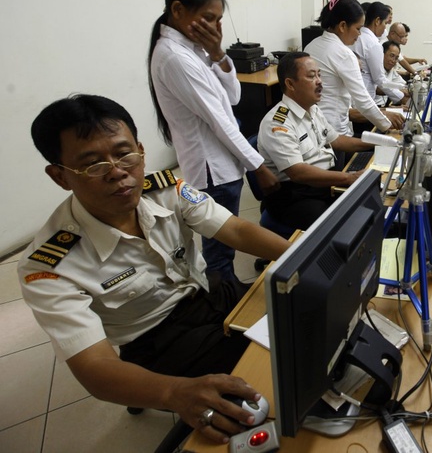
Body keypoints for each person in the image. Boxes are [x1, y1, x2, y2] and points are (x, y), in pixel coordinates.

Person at [19, 94, 292, 445]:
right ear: (60, 176)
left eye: (124, 154)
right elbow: (94, 367)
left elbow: (236, 230)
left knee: (299, 320)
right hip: (159, 340)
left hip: (210, 293)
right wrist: (174, 393)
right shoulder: (49, 265)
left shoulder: (164, 189)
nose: (118, 172)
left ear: (141, 150)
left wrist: (301, 256)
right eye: (93, 165)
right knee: (270, 388)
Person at [148, 0, 279, 285]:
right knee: (220, 248)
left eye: (219, 20)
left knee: (225, 244)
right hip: (212, 170)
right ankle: (224, 304)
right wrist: (258, 166)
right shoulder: (174, 58)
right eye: (208, 18)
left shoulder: (196, 51)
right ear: (178, 10)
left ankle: (228, 293)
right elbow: (222, 123)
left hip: (223, 164)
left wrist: (219, 54)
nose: (214, 27)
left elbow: (233, 96)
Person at [258, 53, 373, 231]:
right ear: (290, 84)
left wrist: (377, 144)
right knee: (344, 226)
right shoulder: (278, 123)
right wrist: (348, 178)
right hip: (296, 194)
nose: (319, 81)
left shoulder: (312, 108)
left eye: (319, 75)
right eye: (312, 76)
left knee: (366, 204)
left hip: (322, 181)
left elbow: (337, 140)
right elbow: (298, 173)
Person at [303, 0, 403, 143]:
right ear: (342, 26)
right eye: (358, 29)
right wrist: (388, 127)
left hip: (313, 129)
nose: (359, 34)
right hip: (335, 131)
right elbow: (363, 100)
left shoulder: (311, 46)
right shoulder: (343, 53)